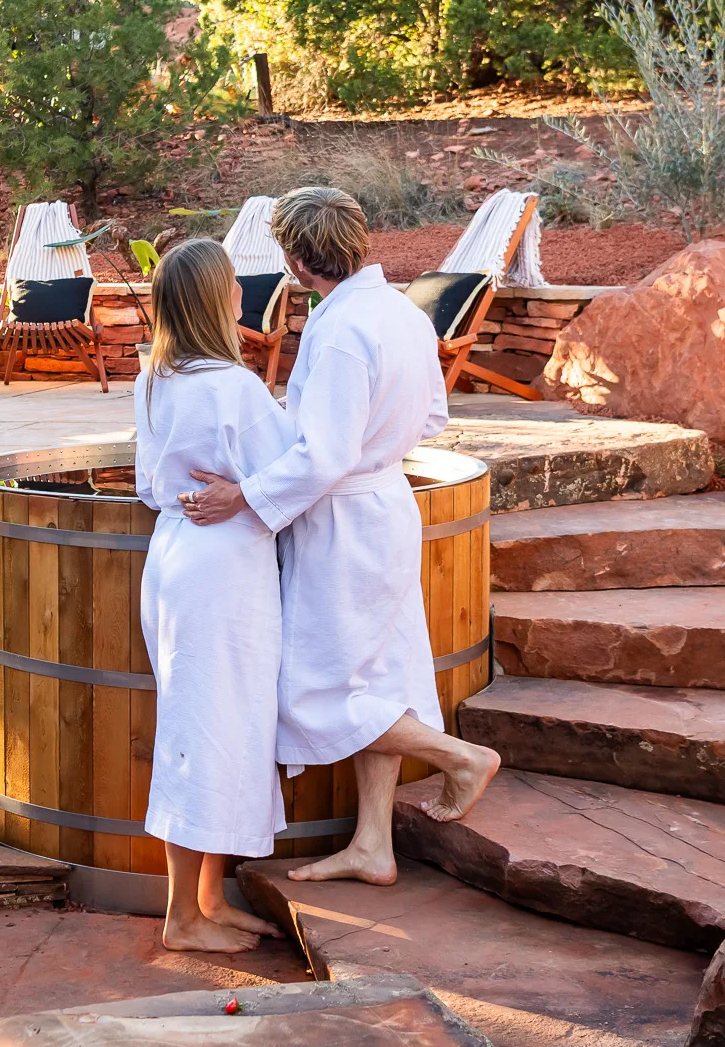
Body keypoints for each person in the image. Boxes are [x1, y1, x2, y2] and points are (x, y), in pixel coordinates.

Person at [181, 186, 500, 886]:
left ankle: (460, 756)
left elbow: (323, 455)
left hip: (343, 523)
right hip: (385, 503)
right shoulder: (401, 312)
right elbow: (433, 417)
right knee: (375, 677)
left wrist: (245, 494)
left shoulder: (340, 330)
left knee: (314, 692)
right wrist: (369, 446)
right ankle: (373, 844)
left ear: (297, 259)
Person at [132, 238, 295, 951]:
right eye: (231, 285)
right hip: (222, 573)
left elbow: (146, 484)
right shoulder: (234, 387)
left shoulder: (155, 377)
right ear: (213, 301)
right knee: (204, 734)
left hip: (173, 554)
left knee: (212, 727)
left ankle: (207, 896)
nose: (240, 295)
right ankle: (182, 918)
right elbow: (294, 467)